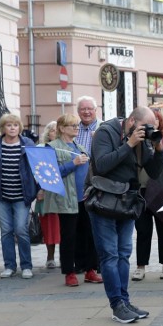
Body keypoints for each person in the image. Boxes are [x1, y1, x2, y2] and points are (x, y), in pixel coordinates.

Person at [90, 107, 163, 324]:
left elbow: (155, 172)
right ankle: (117, 305)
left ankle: (124, 300)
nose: (147, 131)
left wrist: (158, 148)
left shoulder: (141, 139)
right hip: (104, 201)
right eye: (145, 127)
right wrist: (129, 144)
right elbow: (102, 165)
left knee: (123, 253)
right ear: (132, 120)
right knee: (110, 255)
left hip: (127, 201)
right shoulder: (106, 132)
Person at [0, 113, 37, 278]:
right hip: (1, 195)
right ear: (3, 128)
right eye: (9, 125)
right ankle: (9, 266)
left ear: (19, 127)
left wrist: (39, 189)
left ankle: (26, 266)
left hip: (22, 195)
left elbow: (36, 166)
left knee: (21, 229)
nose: (12, 128)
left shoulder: (27, 143)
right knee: (6, 231)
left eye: (15, 125)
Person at [44, 114, 96, 287]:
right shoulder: (52, 147)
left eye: (76, 125)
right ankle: (69, 272)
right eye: (72, 125)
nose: (76, 128)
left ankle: (90, 270)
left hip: (84, 197)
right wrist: (72, 163)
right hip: (67, 198)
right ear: (61, 128)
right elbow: (50, 173)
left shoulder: (79, 146)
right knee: (69, 237)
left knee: (88, 235)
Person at [132, 109, 163, 281]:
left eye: (156, 121)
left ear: (160, 123)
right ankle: (140, 266)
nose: (153, 125)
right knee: (143, 231)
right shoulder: (137, 138)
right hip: (142, 191)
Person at [73, 96, 100, 281]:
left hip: (97, 185)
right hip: (77, 186)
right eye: (83, 109)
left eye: (89, 108)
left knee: (94, 227)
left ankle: (94, 264)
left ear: (96, 110)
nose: (86, 112)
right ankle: (80, 263)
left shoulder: (103, 129)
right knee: (78, 227)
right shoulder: (73, 129)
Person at [35, 122, 60, 269]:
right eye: (52, 130)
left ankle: (66, 256)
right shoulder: (41, 149)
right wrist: (40, 189)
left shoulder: (67, 147)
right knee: (48, 225)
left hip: (62, 193)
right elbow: (36, 171)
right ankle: (50, 257)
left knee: (63, 226)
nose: (55, 133)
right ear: (48, 133)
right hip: (45, 191)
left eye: (58, 130)